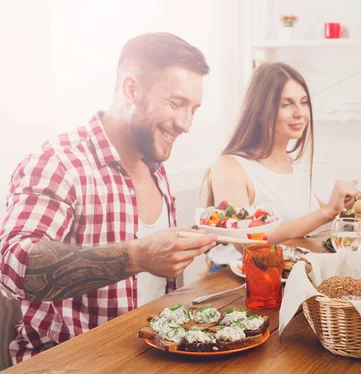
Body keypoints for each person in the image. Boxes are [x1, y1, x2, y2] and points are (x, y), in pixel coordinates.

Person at [0, 32, 218, 364]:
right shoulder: (59, 162)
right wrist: (135, 256)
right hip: (70, 364)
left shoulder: (155, 164)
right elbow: (14, 263)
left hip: (153, 358)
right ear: (131, 89)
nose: (186, 124)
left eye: (194, 109)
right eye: (176, 104)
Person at [205, 62, 361, 246]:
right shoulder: (229, 167)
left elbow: (317, 219)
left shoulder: (291, 164)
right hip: (234, 274)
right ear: (259, 111)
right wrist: (327, 212)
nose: (300, 113)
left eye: (304, 102)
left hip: (289, 269)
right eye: (287, 104)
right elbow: (244, 243)